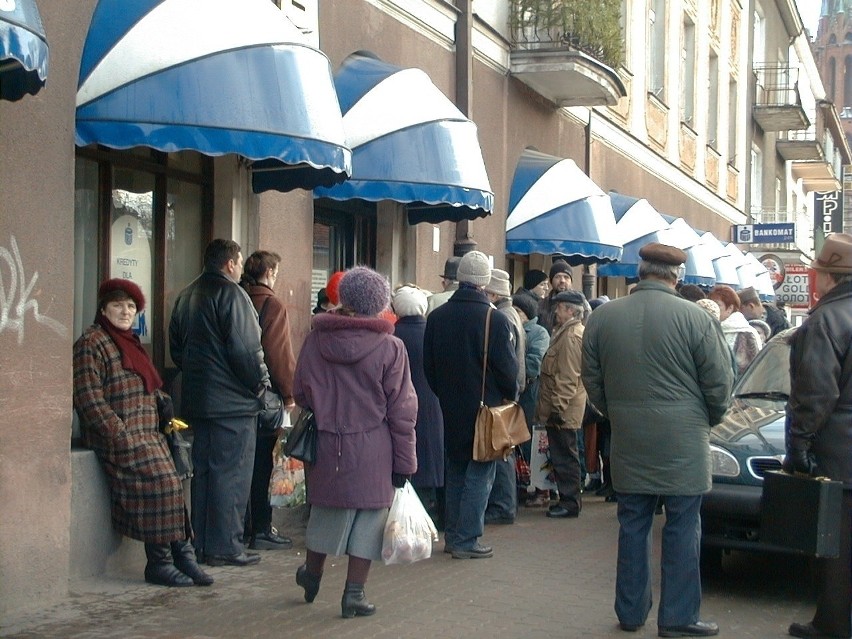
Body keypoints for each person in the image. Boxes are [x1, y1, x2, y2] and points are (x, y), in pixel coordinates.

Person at [581, 242, 733, 637]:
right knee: (683, 526)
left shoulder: (603, 317)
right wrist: (708, 419)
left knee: (632, 523)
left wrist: (617, 412)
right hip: (684, 440)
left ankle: (631, 612)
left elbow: (592, 381)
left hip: (630, 437)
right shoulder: (697, 319)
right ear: (676, 277)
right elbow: (719, 384)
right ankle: (679, 617)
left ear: (639, 271)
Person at [292, 266, 417, 618]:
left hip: (326, 444)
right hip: (374, 446)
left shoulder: (315, 339)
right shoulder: (391, 347)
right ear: (379, 304)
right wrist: (405, 464)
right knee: (369, 518)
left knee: (325, 510)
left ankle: (311, 575)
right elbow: (403, 412)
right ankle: (354, 594)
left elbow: (299, 392)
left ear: (342, 298)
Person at [73, 279, 213, 588]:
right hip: (117, 435)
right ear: (103, 308)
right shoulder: (91, 343)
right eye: (117, 306)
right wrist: (119, 433)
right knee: (161, 481)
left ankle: (182, 552)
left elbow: (148, 385)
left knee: (174, 480)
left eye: (131, 307)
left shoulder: (130, 342)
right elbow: (88, 398)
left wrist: (163, 406)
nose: (125, 312)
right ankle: (159, 562)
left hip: (147, 433)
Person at [169, 238, 272, 567]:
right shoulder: (232, 294)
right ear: (230, 264)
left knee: (205, 475)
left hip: (199, 401)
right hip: (233, 405)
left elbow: (176, 349)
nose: (241, 268)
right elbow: (246, 350)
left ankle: (201, 545)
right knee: (232, 475)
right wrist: (260, 386)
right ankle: (226, 546)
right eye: (239, 262)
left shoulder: (186, 295)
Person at [424, 251, 519, 559]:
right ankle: (467, 539)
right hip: (485, 409)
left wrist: (444, 394)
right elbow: (508, 371)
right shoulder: (495, 318)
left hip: (450, 406)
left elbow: (429, 367)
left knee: (455, 471)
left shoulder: (436, 316)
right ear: (484, 282)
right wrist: (509, 396)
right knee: (481, 472)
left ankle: (452, 535)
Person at [784, 233, 852, 639]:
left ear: (827, 277)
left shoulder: (826, 320)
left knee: (836, 547)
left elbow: (815, 393)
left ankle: (831, 624)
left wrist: (800, 445)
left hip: (840, 452)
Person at [239, 250, 296, 551]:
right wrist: (289, 394)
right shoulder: (271, 303)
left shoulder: (237, 297)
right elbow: (278, 354)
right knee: (263, 464)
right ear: (270, 272)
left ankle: (246, 526)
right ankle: (260, 527)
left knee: (245, 466)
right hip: (265, 398)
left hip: (236, 396)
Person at [391, 284, 445, 528]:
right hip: (433, 402)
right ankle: (437, 512)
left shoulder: (391, 336)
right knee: (433, 454)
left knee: (407, 452)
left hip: (399, 405)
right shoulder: (434, 332)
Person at [536, 290, 588, 519]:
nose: (555, 311)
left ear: (570, 310)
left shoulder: (571, 336)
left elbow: (568, 376)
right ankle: (568, 499)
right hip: (562, 406)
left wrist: (558, 408)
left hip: (564, 408)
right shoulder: (566, 332)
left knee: (565, 455)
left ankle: (570, 502)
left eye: (559, 307)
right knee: (563, 454)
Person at [484, 268, 525, 525]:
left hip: (504, 394)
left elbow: (507, 361)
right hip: (511, 391)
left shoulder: (503, 317)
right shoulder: (511, 315)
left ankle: (503, 506)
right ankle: (505, 503)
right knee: (504, 450)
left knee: (501, 452)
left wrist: (507, 393)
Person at [512, 292, 550, 508]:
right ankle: (523, 485)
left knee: (532, 443)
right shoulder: (513, 327)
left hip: (531, 394)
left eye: (518, 311)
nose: (515, 314)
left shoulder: (538, 333)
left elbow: (535, 362)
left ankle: (539, 489)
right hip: (517, 393)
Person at [708, 284, 763, 377]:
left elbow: (752, 371)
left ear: (730, 308)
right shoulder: (709, 329)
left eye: (717, 305)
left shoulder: (745, 333)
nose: (713, 309)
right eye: (712, 304)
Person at [538, 260, 574, 334]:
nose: (562, 281)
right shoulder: (540, 305)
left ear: (571, 281)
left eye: (566, 277)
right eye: (558, 277)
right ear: (551, 281)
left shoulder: (582, 306)